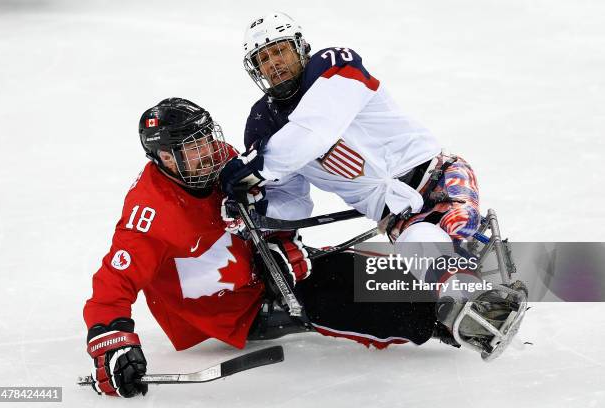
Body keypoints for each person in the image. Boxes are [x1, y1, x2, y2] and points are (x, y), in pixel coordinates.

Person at [83, 97, 444, 399]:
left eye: (206, 140)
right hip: (234, 310)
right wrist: (111, 345)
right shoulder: (148, 215)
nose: (208, 154)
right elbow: (111, 287)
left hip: (255, 270)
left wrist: (276, 243)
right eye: (192, 150)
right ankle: (440, 318)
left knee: (344, 270)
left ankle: (445, 286)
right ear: (163, 157)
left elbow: (261, 204)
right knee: (340, 297)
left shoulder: (219, 161)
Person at [220, 12, 524, 358]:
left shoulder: (334, 65)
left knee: (449, 233)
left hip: (439, 178)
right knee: (423, 243)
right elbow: (291, 199)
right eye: (263, 59)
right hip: (400, 217)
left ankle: (469, 284)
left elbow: (313, 131)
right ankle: (470, 302)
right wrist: (259, 205)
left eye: (280, 51)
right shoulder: (263, 124)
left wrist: (257, 168)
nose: (273, 64)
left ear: (301, 48)